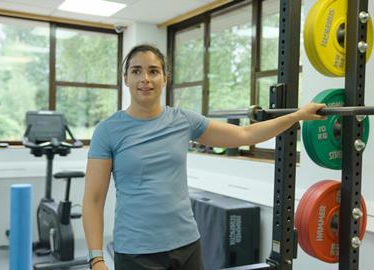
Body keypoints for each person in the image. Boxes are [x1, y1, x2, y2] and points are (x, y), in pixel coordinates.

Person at [82, 44, 326, 270]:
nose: (145, 79)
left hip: (187, 245)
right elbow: (93, 200)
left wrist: (297, 116)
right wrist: (96, 258)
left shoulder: (183, 120)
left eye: (153, 71)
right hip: (137, 251)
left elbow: (244, 134)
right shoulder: (108, 131)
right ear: (126, 78)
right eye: (136, 71)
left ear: (165, 78)